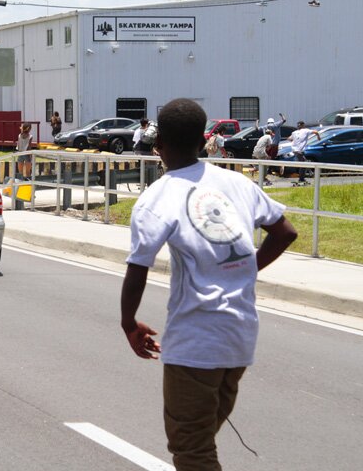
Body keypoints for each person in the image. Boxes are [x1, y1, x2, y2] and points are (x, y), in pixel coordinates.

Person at [119, 98, 297, 471]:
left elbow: (138, 267)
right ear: (203, 140)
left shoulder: (156, 198)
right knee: (200, 440)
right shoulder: (236, 183)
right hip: (239, 339)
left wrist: (129, 323)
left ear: (159, 143)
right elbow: (285, 231)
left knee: (191, 449)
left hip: (195, 342)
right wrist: (247, 270)